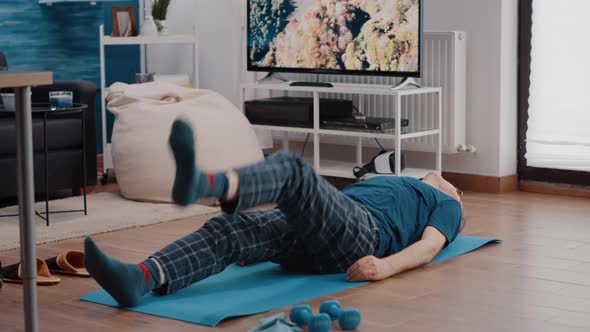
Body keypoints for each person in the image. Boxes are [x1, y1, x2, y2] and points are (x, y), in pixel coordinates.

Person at [84, 119, 464, 307]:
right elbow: (323, 208)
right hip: (319, 235)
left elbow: (429, 247)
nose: (444, 179)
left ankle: (207, 185)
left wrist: (386, 267)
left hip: (364, 234)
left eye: (452, 184)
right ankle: (142, 278)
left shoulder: (446, 204)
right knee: (231, 228)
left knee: (292, 171)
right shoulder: (396, 179)